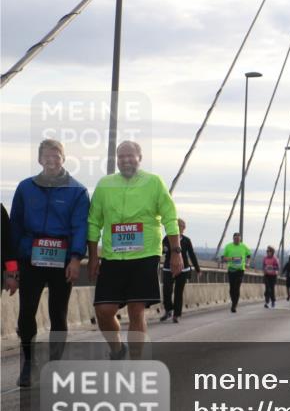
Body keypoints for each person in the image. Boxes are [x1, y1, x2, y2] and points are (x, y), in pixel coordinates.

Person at [88, 141, 182, 359]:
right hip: (112, 256)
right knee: (103, 311)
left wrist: (176, 253)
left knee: (136, 310)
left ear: (140, 158)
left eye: (130, 156)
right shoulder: (105, 184)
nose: (125, 160)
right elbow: (94, 222)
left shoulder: (154, 182)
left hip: (144, 255)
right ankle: (117, 349)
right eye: (121, 157)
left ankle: (135, 363)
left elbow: (170, 217)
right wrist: (93, 256)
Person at [9, 139, 89, 386]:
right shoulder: (25, 188)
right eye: (47, 156)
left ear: (63, 159)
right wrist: (11, 267)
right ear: (39, 159)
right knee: (26, 312)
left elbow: (80, 227)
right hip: (30, 258)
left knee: (58, 313)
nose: (51, 160)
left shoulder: (78, 191)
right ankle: (28, 363)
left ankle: (55, 365)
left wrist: (76, 258)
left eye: (56, 156)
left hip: (62, 260)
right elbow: (14, 226)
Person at [159, 218, 200, 322]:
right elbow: (161, 251)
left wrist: (197, 269)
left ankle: (176, 315)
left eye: (180, 226)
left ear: (183, 228)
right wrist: (163, 250)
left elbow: (192, 255)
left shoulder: (186, 240)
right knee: (166, 291)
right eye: (176, 226)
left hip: (183, 269)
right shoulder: (166, 239)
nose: (178, 228)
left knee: (178, 292)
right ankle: (168, 310)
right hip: (168, 268)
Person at [221, 233, 252, 312]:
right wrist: (231, 259)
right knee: (232, 288)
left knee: (237, 287)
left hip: (240, 270)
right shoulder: (228, 246)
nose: (237, 240)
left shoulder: (243, 246)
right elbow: (223, 258)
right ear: (233, 239)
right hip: (231, 269)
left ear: (240, 239)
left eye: (238, 239)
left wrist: (248, 263)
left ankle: (234, 305)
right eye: (235, 239)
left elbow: (249, 255)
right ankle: (233, 301)